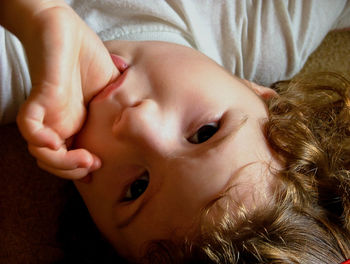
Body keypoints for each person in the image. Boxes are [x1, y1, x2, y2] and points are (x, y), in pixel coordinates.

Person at [1, 0, 350, 263]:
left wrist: (37, 17)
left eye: (136, 188)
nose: (137, 122)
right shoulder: (270, 29)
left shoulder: (10, 71)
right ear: (263, 96)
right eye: (205, 132)